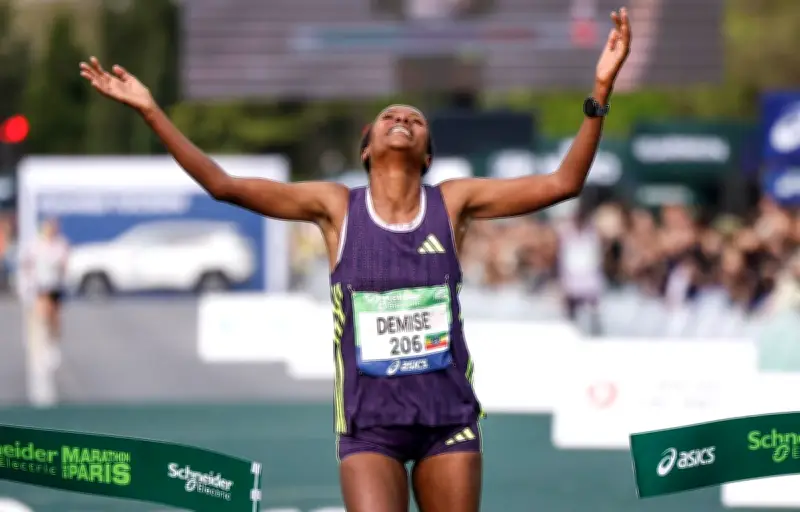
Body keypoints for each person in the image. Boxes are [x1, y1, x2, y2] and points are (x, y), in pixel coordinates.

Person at [79, 8, 631, 511]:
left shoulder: (453, 202)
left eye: (415, 119)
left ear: (428, 153)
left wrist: (600, 88)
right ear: (366, 148)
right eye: (390, 115)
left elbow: (564, 182)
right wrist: (152, 112)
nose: (402, 119)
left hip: (449, 421)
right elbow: (224, 185)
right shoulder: (335, 209)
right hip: (370, 427)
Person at [22, 218, 69, 367]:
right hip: (40, 285)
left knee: (54, 317)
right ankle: (42, 348)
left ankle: (53, 343)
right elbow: (28, 263)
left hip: (55, 284)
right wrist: (27, 283)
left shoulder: (60, 244)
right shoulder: (36, 245)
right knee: (42, 314)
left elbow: (64, 263)